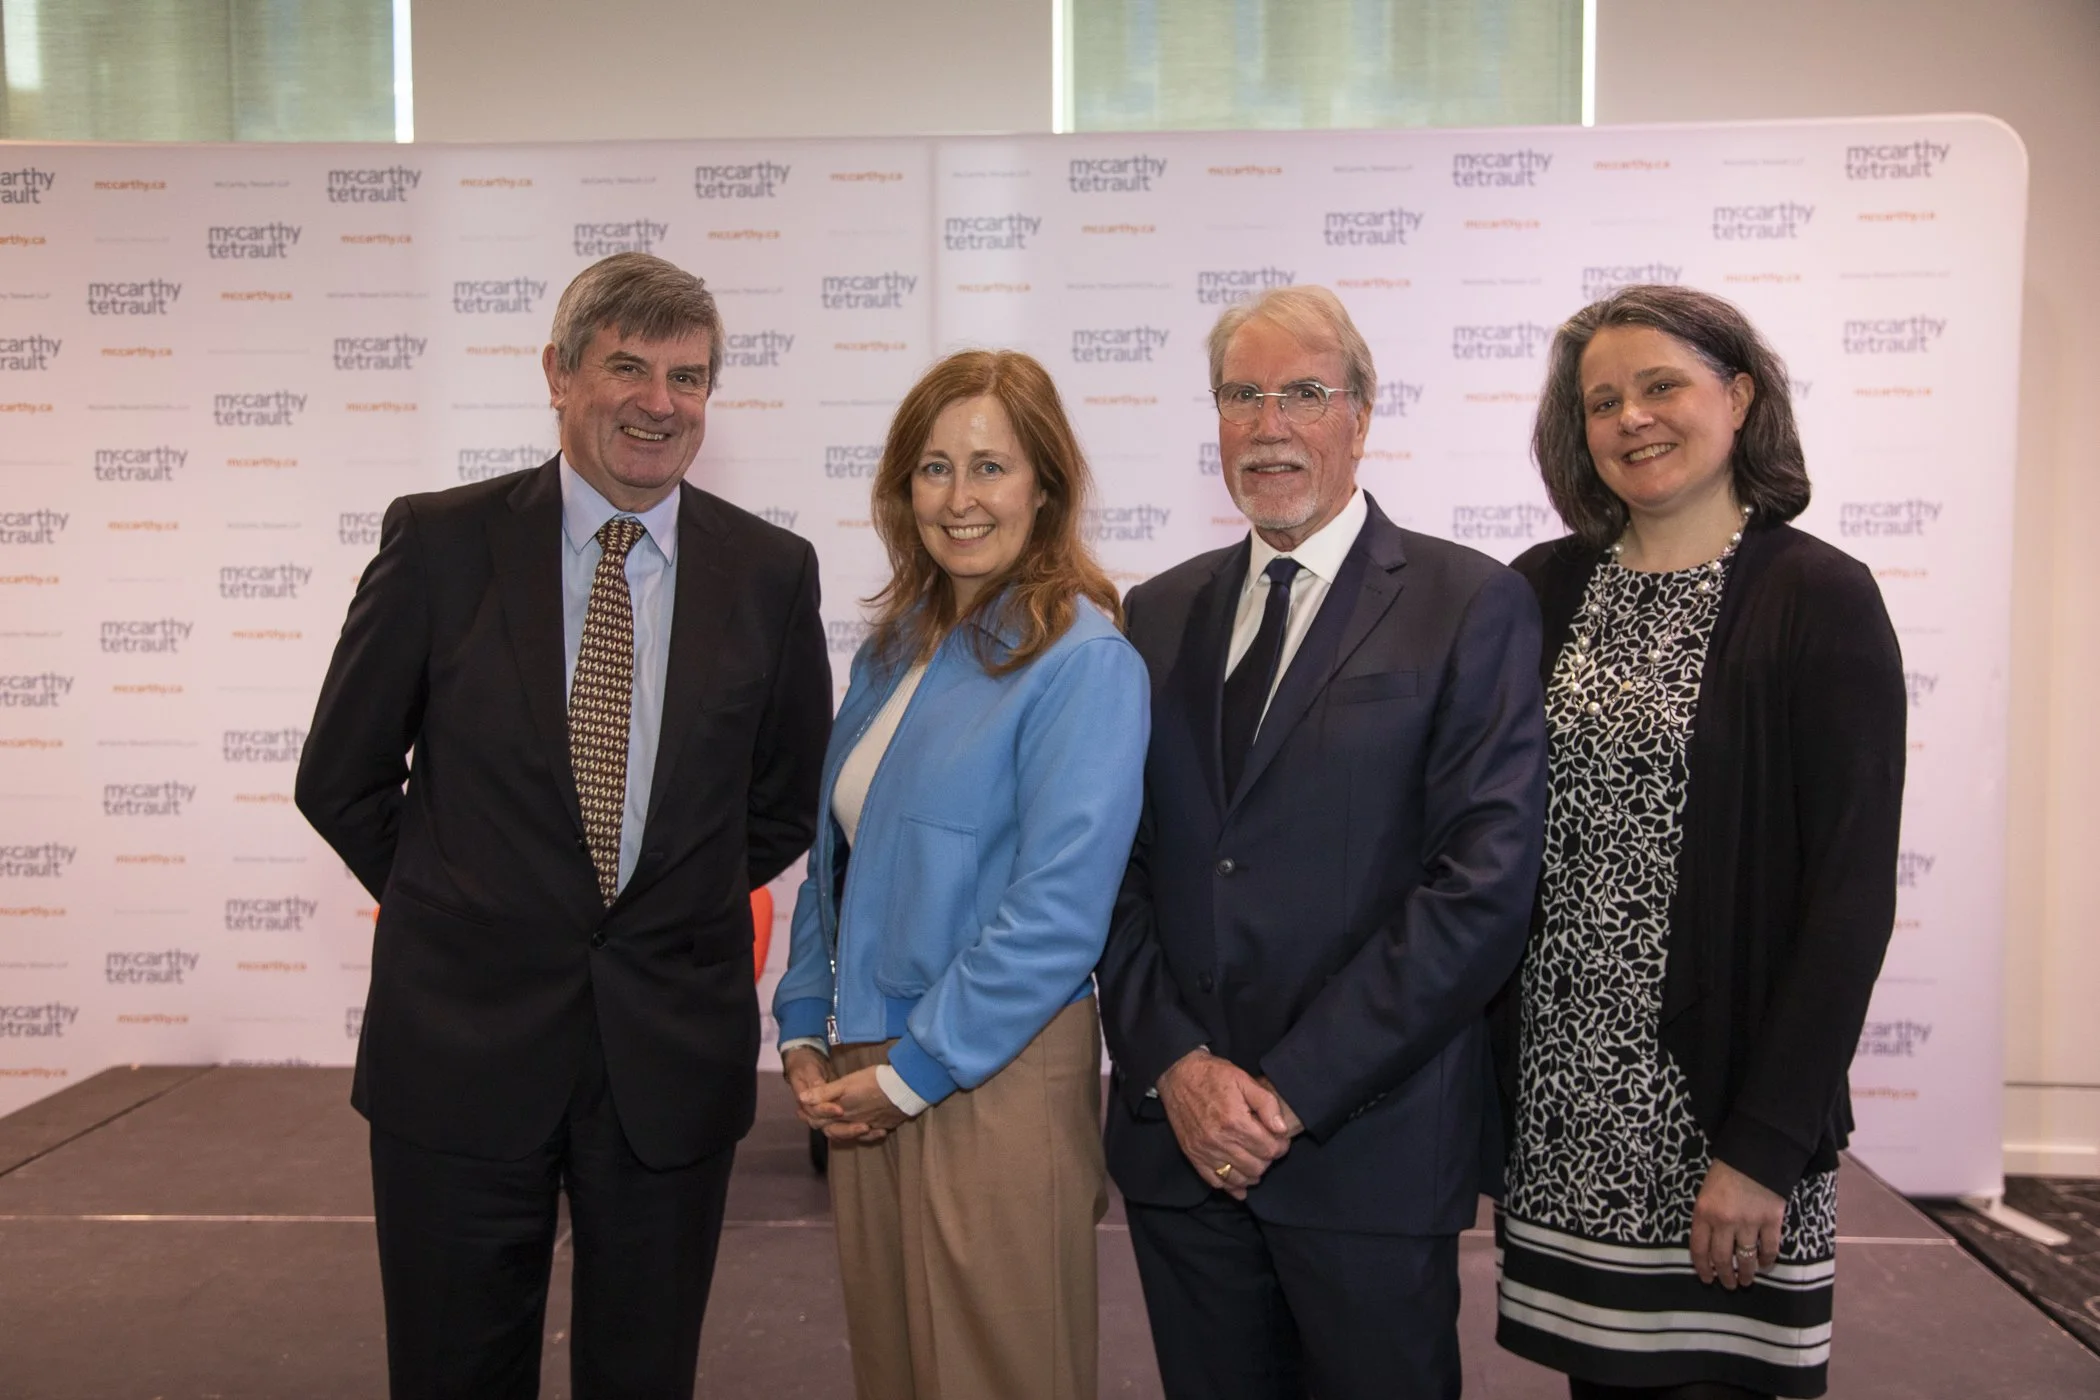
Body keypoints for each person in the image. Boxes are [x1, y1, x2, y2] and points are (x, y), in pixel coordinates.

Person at [295, 252, 832, 1399]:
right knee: (453, 1370)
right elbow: (339, 774)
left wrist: (666, 903)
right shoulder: (440, 545)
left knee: (646, 1375)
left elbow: (786, 795)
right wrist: (464, 898)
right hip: (458, 1052)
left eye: (687, 377)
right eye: (626, 366)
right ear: (557, 372)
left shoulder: (771, 572)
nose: (658, 402)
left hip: (666, 1060)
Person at [1094, 284, 1549, 1400]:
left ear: (1362, 411)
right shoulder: (1154, 612)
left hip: (1368, 1152)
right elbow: (1112, 869)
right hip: (1181, 1147)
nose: (1269, 422)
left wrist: (1288, 1092)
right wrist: (1181, 1068)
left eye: (1303, 392)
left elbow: (1480, 889)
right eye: (1241, 396)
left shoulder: (1466, 601)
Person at [1495, 284, 1906, 1400]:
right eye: (1602, 400)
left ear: (1739, 394)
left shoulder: (1819, 597)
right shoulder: (1541, 589)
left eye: (1662, 385)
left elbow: (1849, 896)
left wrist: (1764, 1146)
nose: (1632, 417)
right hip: (1570, 1112)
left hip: (1725, 1123)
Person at [772, 349, 1149, 1400]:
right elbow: (836, 857)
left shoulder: (1084, 659)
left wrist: (916, 1072)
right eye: (934, 468)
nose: (960, 496)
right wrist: (805, 1018)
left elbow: (1056, 916)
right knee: (896, 1372)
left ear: (1046, 485)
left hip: (995, 1072)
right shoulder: (893, 647)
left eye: (991, 465)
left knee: (999, 1376)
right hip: (868, 1070)